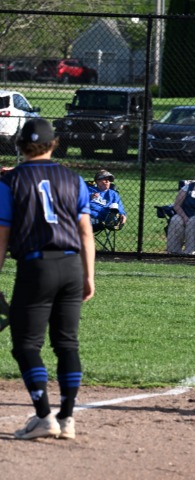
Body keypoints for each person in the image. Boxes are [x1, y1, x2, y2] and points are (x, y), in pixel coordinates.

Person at [0, 118, 95, 440]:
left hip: (36, 267)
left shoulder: (10, 182)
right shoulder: (74, 179)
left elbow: (1, 238)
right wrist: (89, 275)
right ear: (54, 144)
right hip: (71, 267)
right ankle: (67, 418)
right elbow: (85, 232)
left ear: (20, 146)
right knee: (66, 344)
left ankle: (44, 416)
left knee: (26, 345)